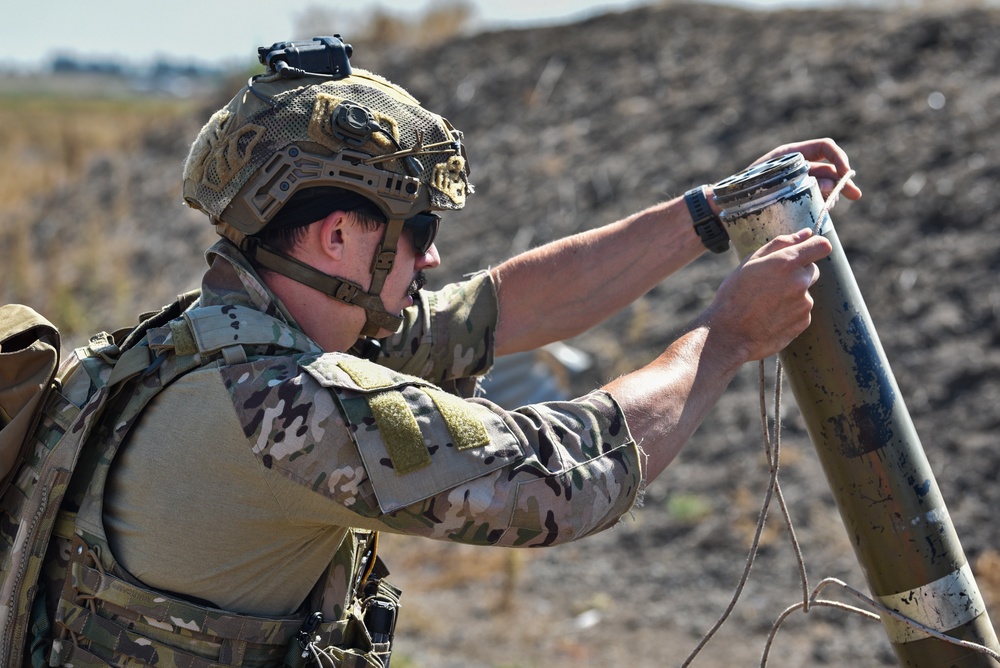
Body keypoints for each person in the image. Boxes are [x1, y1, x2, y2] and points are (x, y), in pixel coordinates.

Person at [30, 37, 861, 667]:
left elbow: (492, 311)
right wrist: (725, 339)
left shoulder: (200, 338)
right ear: (336, 236)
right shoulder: (290, 407)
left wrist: (710, 212)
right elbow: (558, 481)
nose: (430, 260)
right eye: (418, 230)